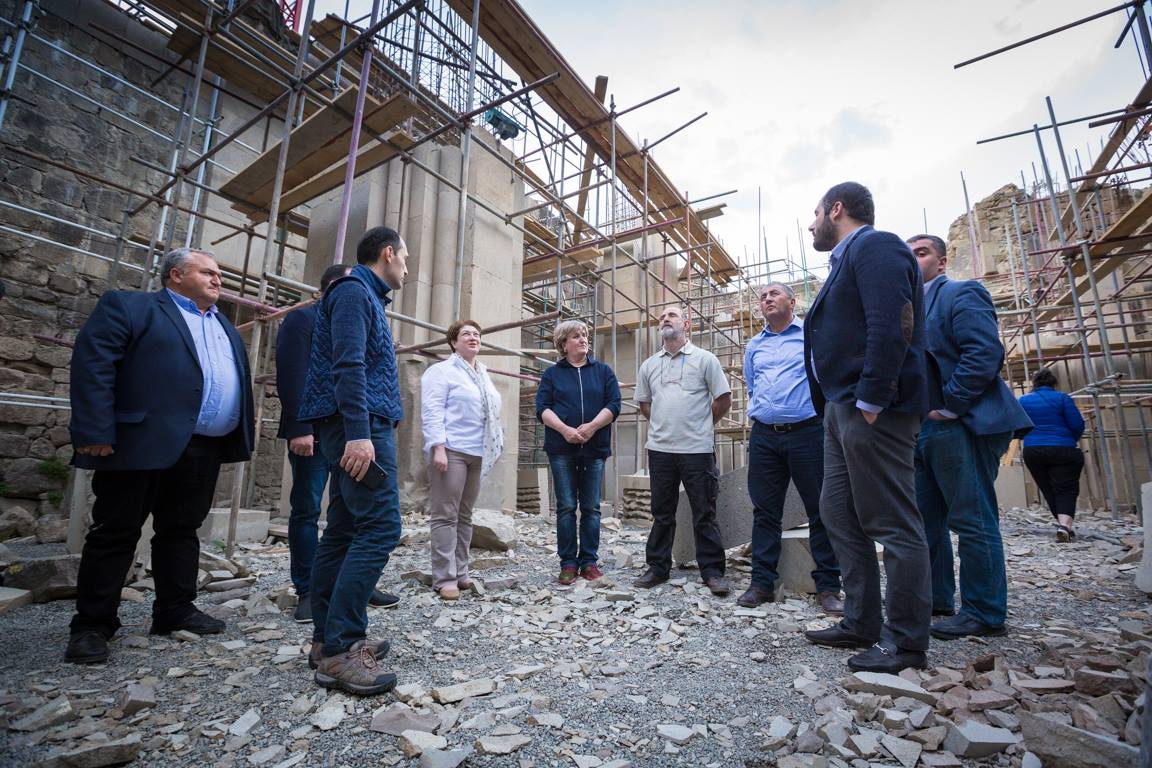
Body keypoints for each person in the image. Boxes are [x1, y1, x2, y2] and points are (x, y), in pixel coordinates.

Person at [66, 248, 255, 664]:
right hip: (139, 440)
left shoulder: (224, 325)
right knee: (116, 531)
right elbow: (94, 364)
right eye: (207, 272)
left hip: (203, 446)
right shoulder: (130, 307)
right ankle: (92, 625)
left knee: (182, 530)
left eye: (219, 274)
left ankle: (174, 610)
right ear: (176, 274)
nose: (218, 279)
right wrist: (94, 429)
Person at [800, 182, 931, 673]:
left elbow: (893, 322)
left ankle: (906, 642)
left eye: (815, 213)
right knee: (838, 512)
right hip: (841, 408)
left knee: (892, 522)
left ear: (837, 209)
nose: (811, 224)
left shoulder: (876, 246)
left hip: (871, 406)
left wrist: (874, 397)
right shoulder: (844, 261)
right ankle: (860, 621)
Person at [298, 226, 408, 696]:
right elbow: (347, 364)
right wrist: (360, 434)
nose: (407, 267)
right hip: (358, 427)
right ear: (388, 253)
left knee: (344, 530)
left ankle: (327, 640)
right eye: (405, 258)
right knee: (381, 527)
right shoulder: (351, 291)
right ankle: (342, 646)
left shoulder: (365, 297)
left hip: (354, 424)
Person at [907, 235, 1033, 641]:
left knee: (971, 518)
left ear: (941, 263)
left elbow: (983, 353)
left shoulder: (960, 293)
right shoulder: (906, 309)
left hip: (959, 422)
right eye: (907, 254)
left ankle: (984, 611)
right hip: (920, 427)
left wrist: (951, 405)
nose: (912, 260)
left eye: (921, 252)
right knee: (926, 520)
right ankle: (937, 599)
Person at [276, 264, 398, 623]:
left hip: (346, 424)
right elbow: (294, 373)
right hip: (322, 428)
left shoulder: (359, 310)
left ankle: (345, 596)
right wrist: (301, 428)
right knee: (308, 508)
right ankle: (308, 591)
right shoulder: (306, 317)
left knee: (344, 519)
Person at [740, 283, 843, 615]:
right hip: (764, 436)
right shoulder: (755, 345)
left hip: (807, 433)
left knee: (820, 509)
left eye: (774, 294)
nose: (767, 299)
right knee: (765, 511)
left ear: (792, 301)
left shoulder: (810, 336)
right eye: (763, 297)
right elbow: (752, 384)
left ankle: (828, 586)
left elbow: (825, 380)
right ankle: (761, 584)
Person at [634, 305, 733, 596]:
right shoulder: (649, 365)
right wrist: (665, 425)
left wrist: (701, 425)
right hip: (661, 450)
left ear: (686, 325)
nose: (665, 319)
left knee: (704, 512)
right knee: (662, 512)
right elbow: (645, 404)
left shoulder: (705, 359)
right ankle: (657, 567)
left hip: (697, 450)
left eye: (672, 315)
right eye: (662, 317)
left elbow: (723, 399)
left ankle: (712, 572)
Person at [420, 320, 505, 600]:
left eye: (477, 334)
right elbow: (432, 410)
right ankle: (444, 578)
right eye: (466, 333)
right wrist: (438, 447)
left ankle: (461, 572)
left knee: (465, 515)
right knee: (445, 515)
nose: (473, 337)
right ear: (453, 342)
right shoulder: (441, 371)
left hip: (478, 452)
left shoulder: (482, 373)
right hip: (452, 450)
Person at [535, 320, 621, 585]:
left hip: (594, 449)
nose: (583, 339)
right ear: (564, 344)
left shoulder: (603, 371)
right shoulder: (552, 375)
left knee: (591, 507)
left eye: (585, 335)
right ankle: (568, 563)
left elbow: (614, 404)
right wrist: (565, 430)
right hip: (562, 448)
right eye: (576, 336)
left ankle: (589, 562)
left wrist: (592, 427)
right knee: (566, 507)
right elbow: (542, 408)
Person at [1019, 368, 1085, 541]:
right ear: (1054, 383)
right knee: (1066, 488)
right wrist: (1071, 440)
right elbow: (1077, 424)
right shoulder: (1062, 398)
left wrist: (1029, 438)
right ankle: (1065, 525)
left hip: (1033, 450)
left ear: (1034, 384)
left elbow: (1017, 425)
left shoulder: (1023, 400)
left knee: (1047, 487)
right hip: (1063, 448)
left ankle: (1063, 525)